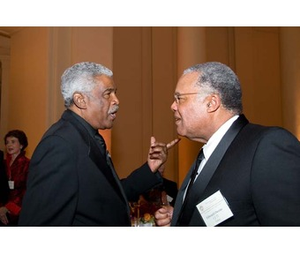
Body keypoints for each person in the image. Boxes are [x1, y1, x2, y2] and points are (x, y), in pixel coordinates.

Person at [19, 62, 179, 226]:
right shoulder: (60, 145)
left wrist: (150, 169)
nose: (116, 100)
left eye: (115, 93)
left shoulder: (86, 135)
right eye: (107, 94)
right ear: (80, 100)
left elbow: (108, 197)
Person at [155, 61, 300, 226]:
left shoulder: (268, 146)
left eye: (179, 98)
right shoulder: (207, 154)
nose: (173, 106)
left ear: (212, 103)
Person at [0, 130, 30, 225]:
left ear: (21, 145)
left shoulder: (27, 164)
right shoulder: (3, 164)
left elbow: (27, 189)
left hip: (19, 209)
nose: (9, 145)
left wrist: (8, 207)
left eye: (13, 142)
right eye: (7, 142)